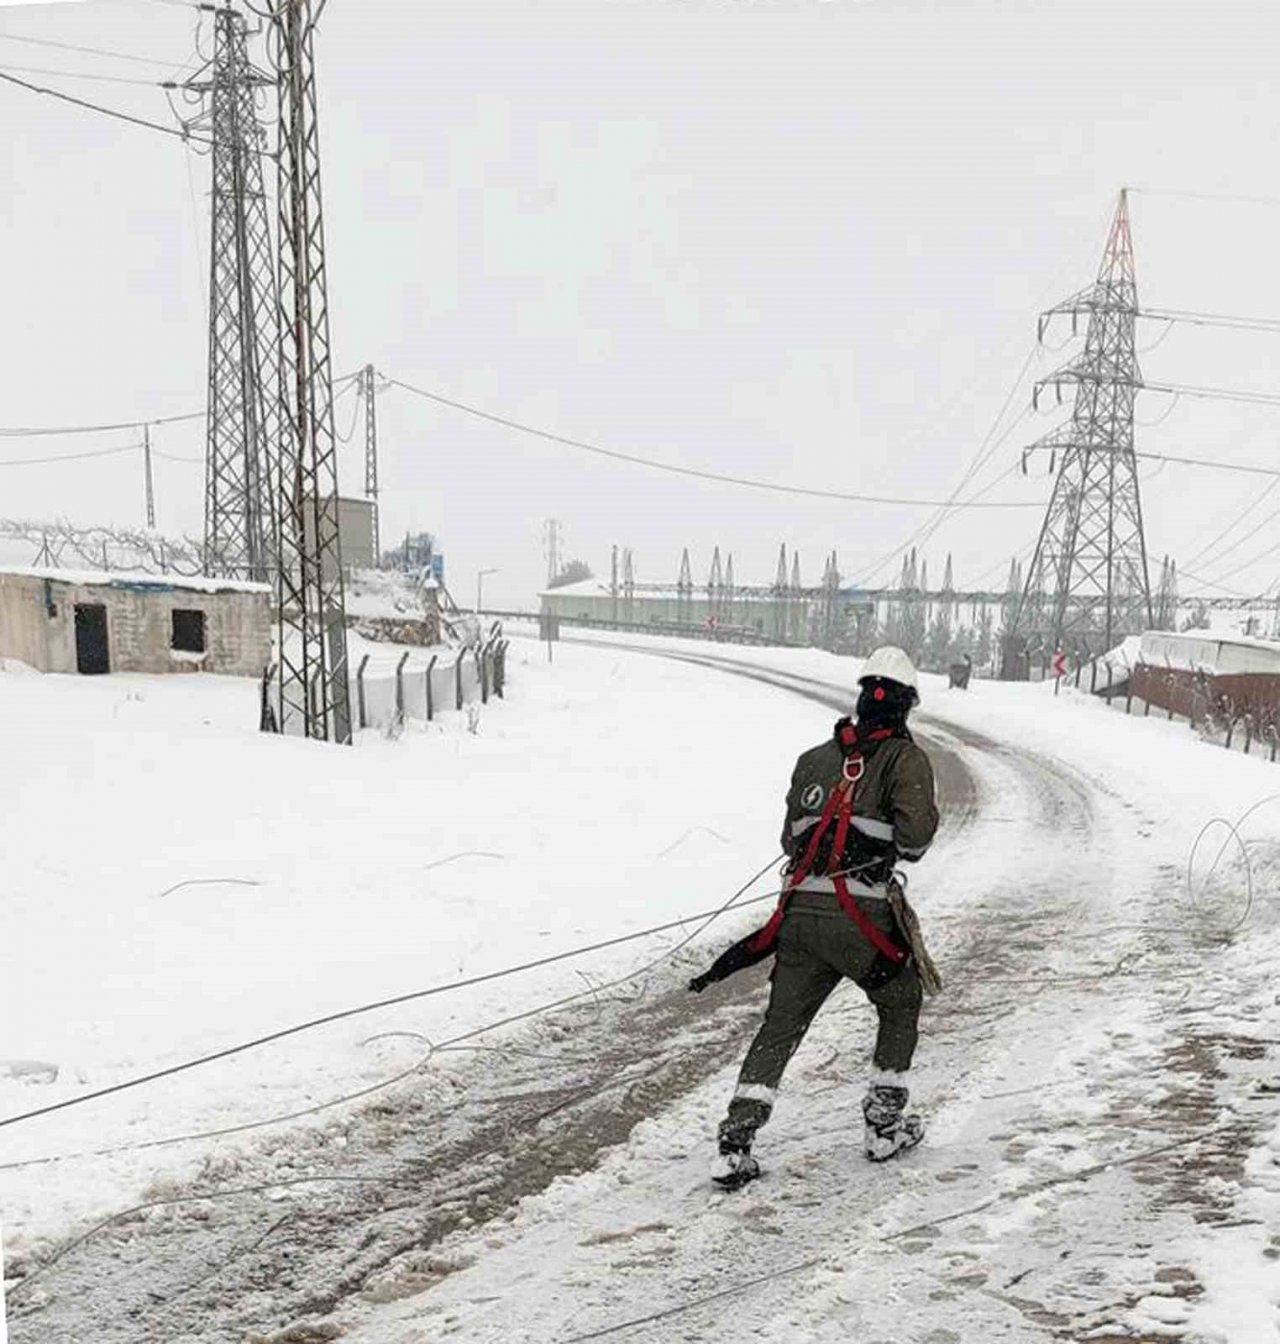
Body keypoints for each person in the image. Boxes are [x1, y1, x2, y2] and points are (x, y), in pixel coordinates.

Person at [697, 646, 939, 1190]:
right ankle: (884, 1124)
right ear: (906, 704)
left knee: (780, 1025)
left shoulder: (813, 759)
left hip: (799, 914)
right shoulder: (906, 760)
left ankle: (736, 1141)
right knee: (901, 1000)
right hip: (863, 920)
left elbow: (790, 839)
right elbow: (917, 840)